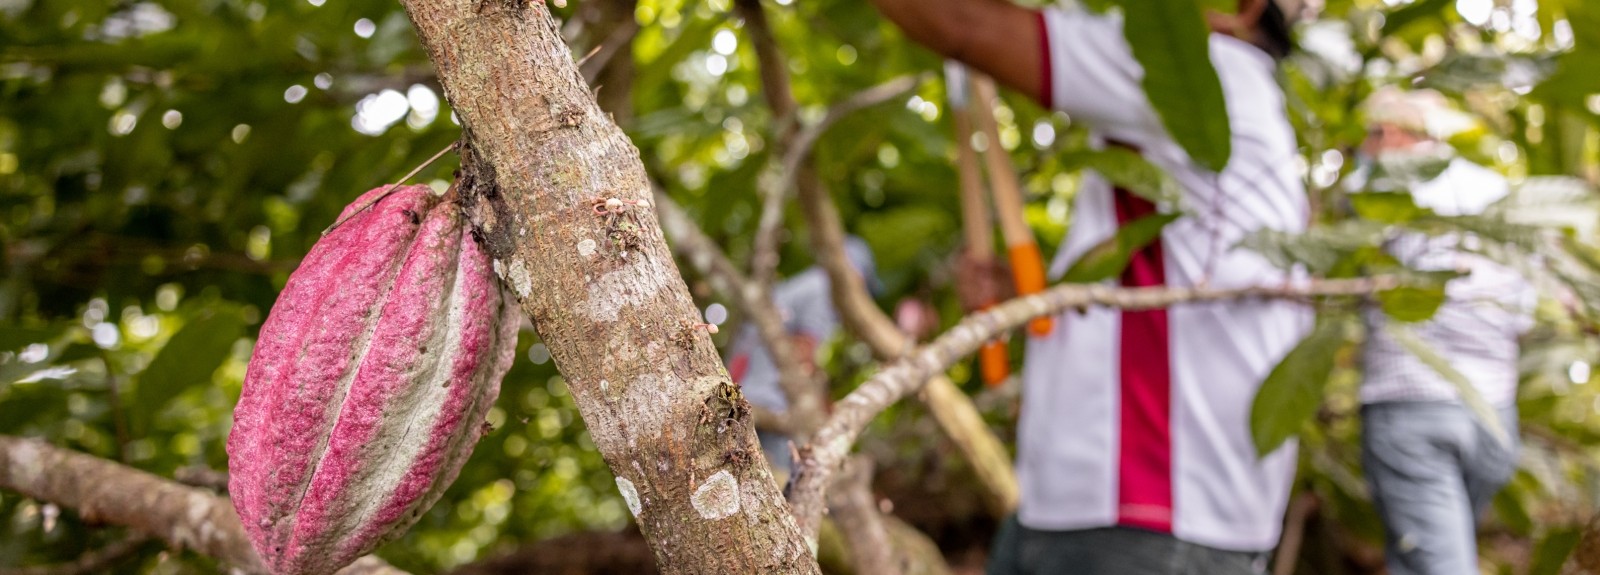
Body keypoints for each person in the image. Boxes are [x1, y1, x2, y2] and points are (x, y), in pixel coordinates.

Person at [866, 0, 1311, 573]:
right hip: (1107, 510)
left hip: (1146, 514)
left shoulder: (1200, 69)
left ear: (1246, 10)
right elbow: (1144, 304)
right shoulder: (1246, 103)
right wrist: (1025, 292)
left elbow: (962, 23)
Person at [1354, 86, 1533, 575]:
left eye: (1368, 138)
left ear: (1390, 133)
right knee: (1426, 557)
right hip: (1493, 416)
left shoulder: (1385, 188)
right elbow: (1524, 313)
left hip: (1414, 407)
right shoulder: (1496, 194)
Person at [725, 236, 881, 485]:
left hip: (748, 390)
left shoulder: (808, 283)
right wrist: (825, 410)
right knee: (788, 479)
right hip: (770, 400)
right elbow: (802, 354)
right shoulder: (824, 291)